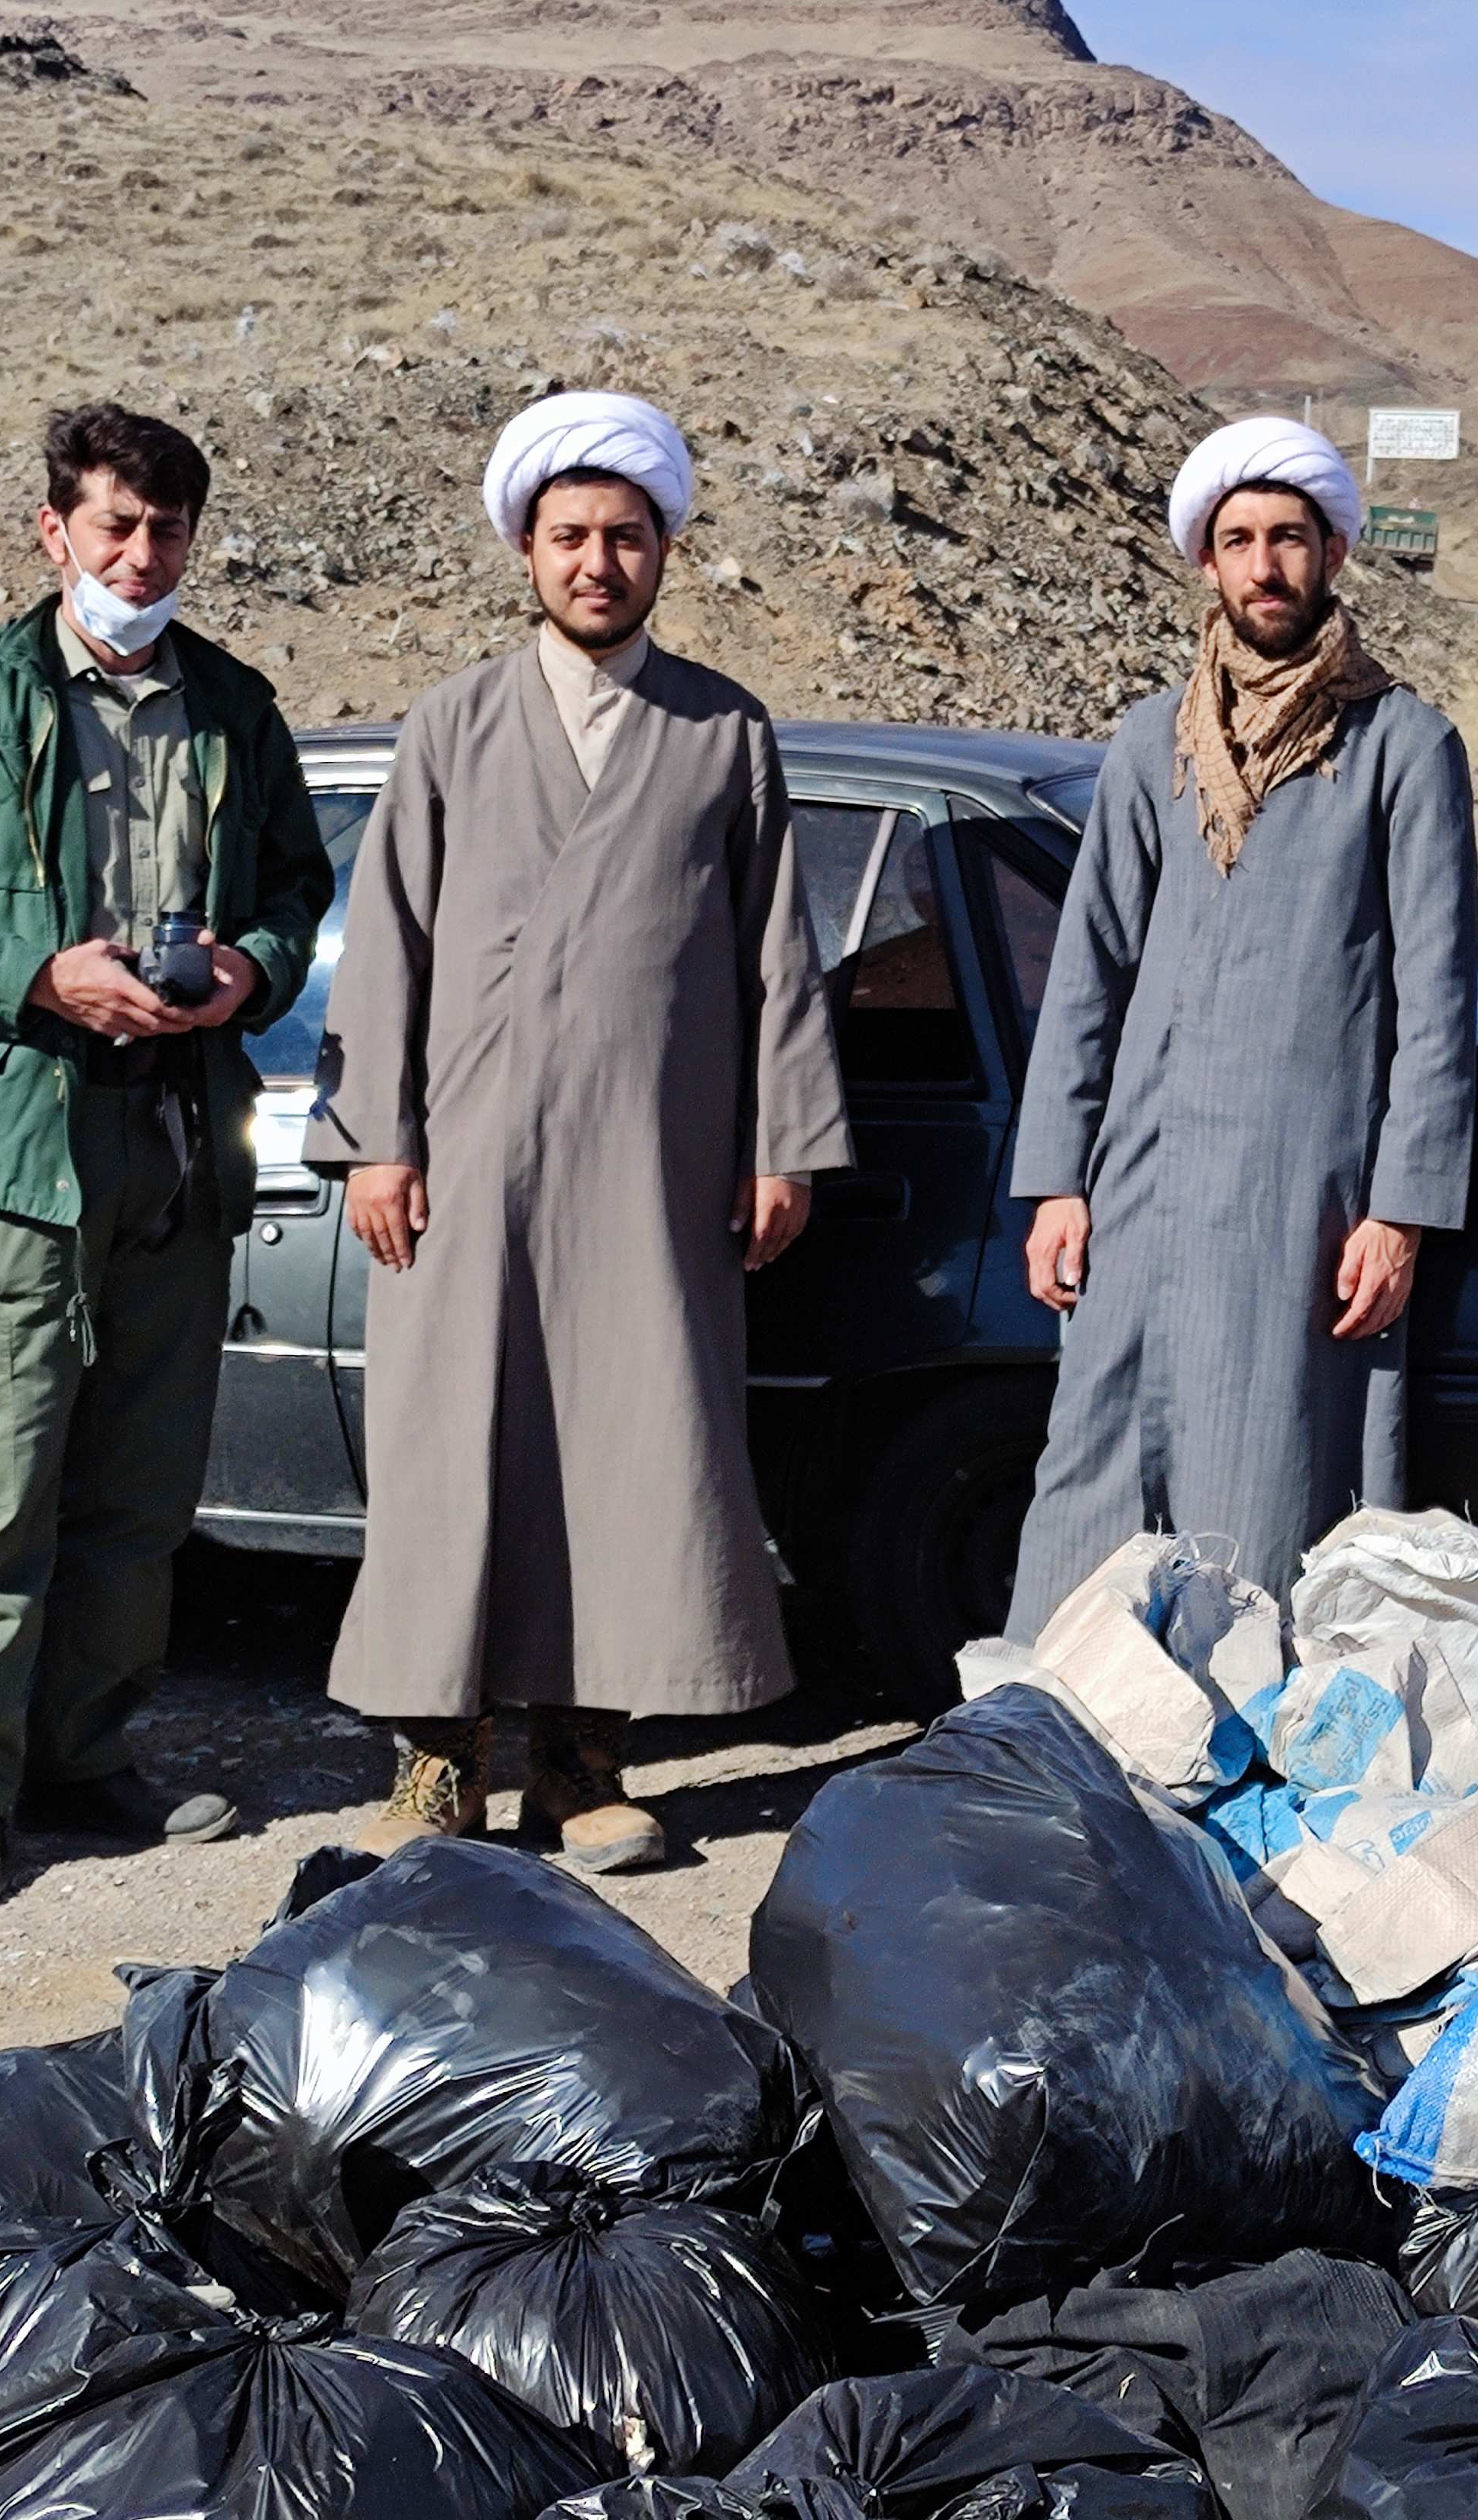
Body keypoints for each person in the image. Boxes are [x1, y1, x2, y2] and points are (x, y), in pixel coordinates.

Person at [307, 390, 851, 1871]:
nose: (596, 560)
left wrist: (779, 1139)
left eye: (624, 534)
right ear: (525, 549)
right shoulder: (454, 723)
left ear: (664, 547)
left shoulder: (722, 732)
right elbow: (385, 947)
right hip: (461, 1166)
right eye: (569, 535)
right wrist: (375, 1137)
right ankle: (434, 1772)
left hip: (648, 1167)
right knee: (448, 1451)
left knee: (626, 1451)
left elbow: (772, 962)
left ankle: (580, 1767)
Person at [0, 403, 335, 1905]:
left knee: (140, 1482)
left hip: (176, 1137)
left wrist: (248, 963)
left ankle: (90, 1754)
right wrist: (44, 975)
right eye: (113, 525)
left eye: (166, 529)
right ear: (54, 530)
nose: (139, 553)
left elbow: (296, 894)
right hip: (16, 1145)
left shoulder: (235, 705)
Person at [1004, 414, 1478, 1633]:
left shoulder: (1403, 746)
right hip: (1141, 1187)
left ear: (1331, 554)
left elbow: (1437, 996)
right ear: (1206, 565)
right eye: (1239, 541)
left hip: (1301, 1198)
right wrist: (1059, 1180)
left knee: (1268, 1480)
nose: (1264, 565)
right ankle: (1063, 1752)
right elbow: (1090, 972)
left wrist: (1402, 1211)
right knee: (1096, 1471)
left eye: (1288, 538)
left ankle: (1243, 1757)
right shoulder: (1149, 741)